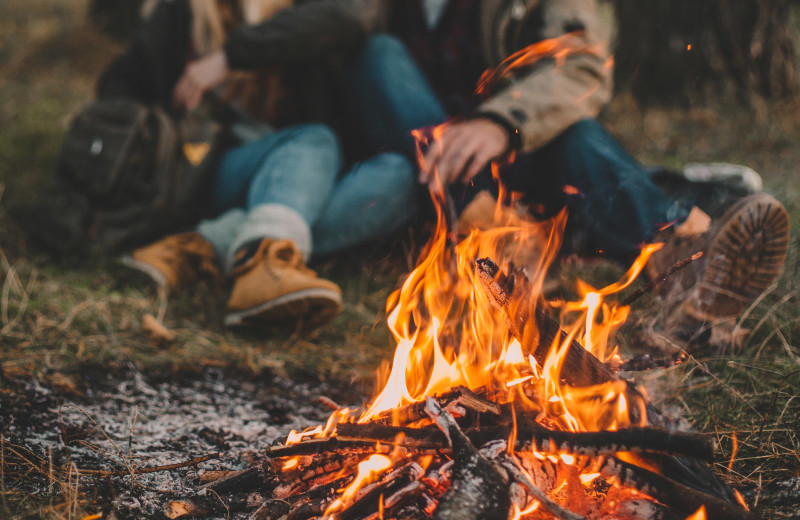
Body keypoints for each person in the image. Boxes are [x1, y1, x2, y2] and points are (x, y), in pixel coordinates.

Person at [343, 0, 790, 351]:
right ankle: (505, 227)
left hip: (524, 154)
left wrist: (503, 123)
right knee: (376, 55)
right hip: (430, 187)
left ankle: (673, 252)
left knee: (576, 135)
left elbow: (579, 66)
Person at [104, 0, 421, 328]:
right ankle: (264, 262)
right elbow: (119, 87)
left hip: (309, 182)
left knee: (400, 176)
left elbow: (353, 14)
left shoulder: (307, 10)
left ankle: (206, 246)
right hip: (217, 171)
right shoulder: (184, 12)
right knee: (313, 141)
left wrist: (229, 58)